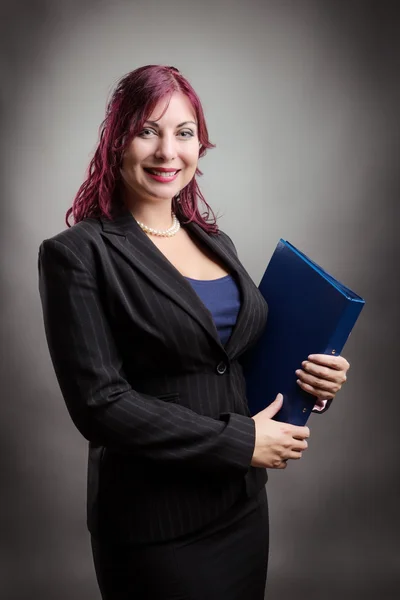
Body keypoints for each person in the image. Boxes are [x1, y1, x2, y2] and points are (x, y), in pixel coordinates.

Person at [38, 65, 350, 600]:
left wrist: (312, 382)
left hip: (243, 506)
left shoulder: (216, 242)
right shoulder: (76, 254)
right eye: (147, 131)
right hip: (156, 523)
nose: (168, 151)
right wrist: (240, 440)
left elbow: (233, 361)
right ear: (117, 142)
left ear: (199, 146)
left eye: (183, 133)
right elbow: (100, 404)